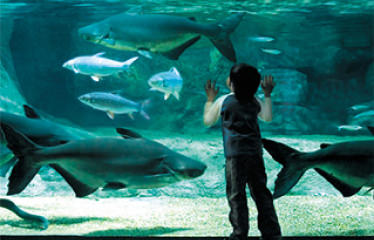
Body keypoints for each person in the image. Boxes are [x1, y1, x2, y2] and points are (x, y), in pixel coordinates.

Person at [203, 63, 282, 240]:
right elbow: (268, 118)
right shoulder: (255, 101)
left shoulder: (223, 101)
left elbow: (208, 120)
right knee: (261, 193)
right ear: (256, 85)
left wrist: (209, 99)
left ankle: (240, 234)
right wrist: (267, 95)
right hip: (255, 154)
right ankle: (272, 233)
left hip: (235, 156)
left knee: (236, 194)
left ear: (231, 82)